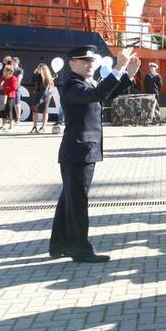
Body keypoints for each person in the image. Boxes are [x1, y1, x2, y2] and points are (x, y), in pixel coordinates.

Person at [49, 45, 139, 263]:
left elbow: (103, 96)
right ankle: (81, 250)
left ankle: (60, 245)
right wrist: (119, 67)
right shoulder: (72, 84)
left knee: (69, 200)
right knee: (77, 202)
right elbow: (97, 94)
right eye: (84, 61)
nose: (90, 64)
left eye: (91, 61)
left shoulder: (83, 83)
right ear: (72, 63)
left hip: (82, 150)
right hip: (79, 151)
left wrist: (127, 76)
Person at [30, 63, 56, 133]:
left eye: (39, 68)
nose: (38, 69)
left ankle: (43, 127)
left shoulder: (48, 78)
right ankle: (34, 127)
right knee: (35, 110)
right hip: (37, 94)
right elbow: (32, 81)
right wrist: (34, 72)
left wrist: (43, 98)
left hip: (45, 95)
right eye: (38, 67)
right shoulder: (37, 76)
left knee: (45, 111)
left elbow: (50, 89)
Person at [0, 63, 19, 131]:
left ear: (9, 72)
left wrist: (3, 87)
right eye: (3, 71)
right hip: (2, 96)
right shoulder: (2, 78)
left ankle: (11, 125)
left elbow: (14, 87)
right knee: (2, 110)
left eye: (5, 71)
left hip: (10, 96)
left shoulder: (13, 78)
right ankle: (3, 125)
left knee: (9, 110)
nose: (3, 72)